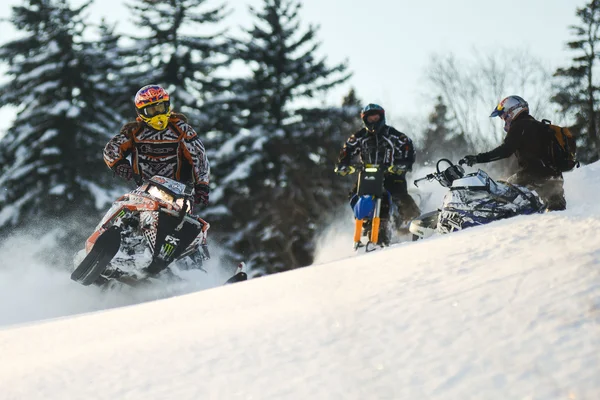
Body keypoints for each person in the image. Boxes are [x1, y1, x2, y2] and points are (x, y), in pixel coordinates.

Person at [103, 84, 210, 207]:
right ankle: (109, 225)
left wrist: (202, 186)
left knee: (191, 223)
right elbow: (111, 148)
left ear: (167, 106)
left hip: (179, 194)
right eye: (152, 111)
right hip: (144, 191)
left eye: (160, 108)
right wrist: (119, 164)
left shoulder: (182, 130)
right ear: (142, 113)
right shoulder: (134, 131)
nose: (157, 114)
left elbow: (199, 158)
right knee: (123, 210)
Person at [460, 95, 566, 211]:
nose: (504, 120)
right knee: (556, 212)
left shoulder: (520, 125)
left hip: (532, 175)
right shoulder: (540, 126)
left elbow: (505, 151)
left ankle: (479, 214)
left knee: (501, 192)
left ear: (512, 111)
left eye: (504, 116)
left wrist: (477, 159)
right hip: (555, 177)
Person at [335, 103, 420, 242]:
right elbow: (347, 150)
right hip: (368, 174)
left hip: (391, 173)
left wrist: (403, 164)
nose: (373, 121)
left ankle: (414, 222)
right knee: (354, 195)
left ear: (382, 117)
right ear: (365, 120)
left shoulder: (394, 135)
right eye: (370, 119)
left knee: (399, 194)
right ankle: (365, 220)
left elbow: (408, 148)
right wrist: (343, 165)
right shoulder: (359, 137)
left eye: (376, 117)